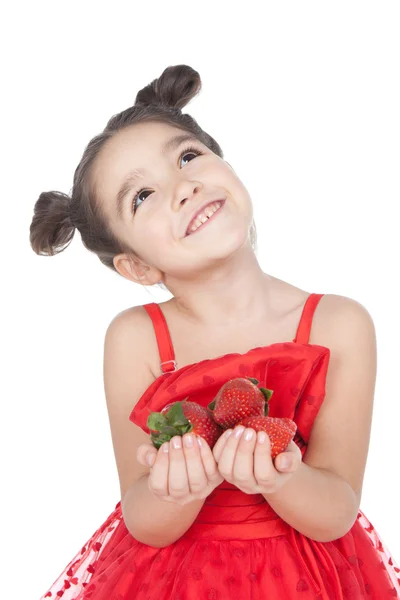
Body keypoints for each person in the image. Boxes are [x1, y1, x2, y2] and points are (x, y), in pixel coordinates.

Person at [30, 64, 400, 600]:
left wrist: (280, 478)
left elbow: (337, 511)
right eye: (143, 197)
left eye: (187, 157)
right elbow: (143, 518)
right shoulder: (135, 339)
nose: (184, 186)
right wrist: (178, 491)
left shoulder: (339, 324)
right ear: (136, 267)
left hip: (305, 579)